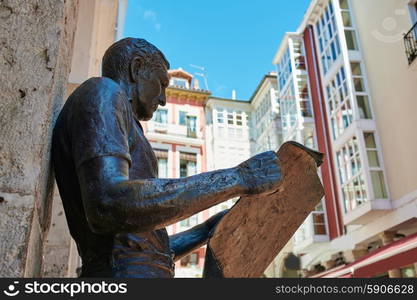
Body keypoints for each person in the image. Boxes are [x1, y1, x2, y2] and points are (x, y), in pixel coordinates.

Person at [52, 38, 281, 278]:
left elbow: (145, 254)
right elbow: (109, 204)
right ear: (137, 68)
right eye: (161, 84)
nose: (162, 98)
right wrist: (238, 178)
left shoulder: (127, 122)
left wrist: (207, 229)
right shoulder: (103, 92)